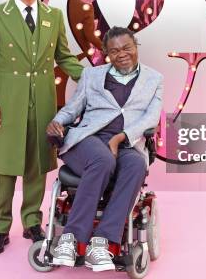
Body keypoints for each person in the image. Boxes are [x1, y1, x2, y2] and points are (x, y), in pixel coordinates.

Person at [0, 0, 83, 254]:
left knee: (37, 163)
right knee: (4, 167)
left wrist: (90, 77)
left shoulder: (53, 16)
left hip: (43, 100)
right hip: (8, 102)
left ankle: (32, 222)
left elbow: (63, 56)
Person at [46, 26, 163, 272]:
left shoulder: (154, 79)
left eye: (127, 48)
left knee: (136, 165)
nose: (122, 54)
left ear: (135, 46)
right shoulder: (92, 75)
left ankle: (102, 242)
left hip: (126, 141)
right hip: (89, 138)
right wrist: (58, 121)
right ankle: (71, 238)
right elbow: (73, 108)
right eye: (114, 51)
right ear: (106, 54)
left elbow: (151, 118)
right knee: (102, 160)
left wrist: (120, 138)